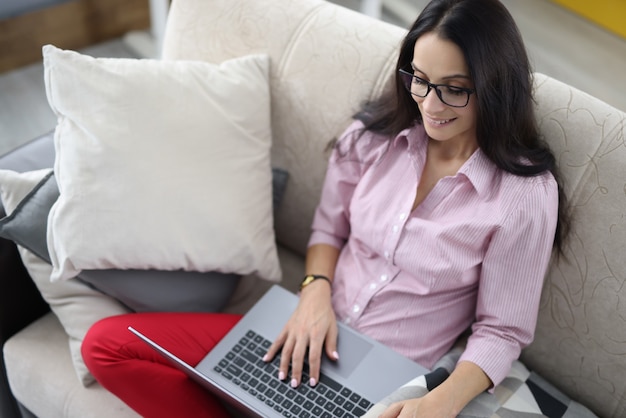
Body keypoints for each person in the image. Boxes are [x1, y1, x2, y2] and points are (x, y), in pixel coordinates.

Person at [81, 0, 569, 416]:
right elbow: (328, 232)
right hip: (300, 332)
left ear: (496, 87)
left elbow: (502, 329)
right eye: (418, 79)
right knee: (107, 346)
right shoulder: (372, 137)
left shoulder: (523, 194)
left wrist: (441, 402)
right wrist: (313, 295)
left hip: (387, 380)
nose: (429, 103)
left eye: (454, 88)